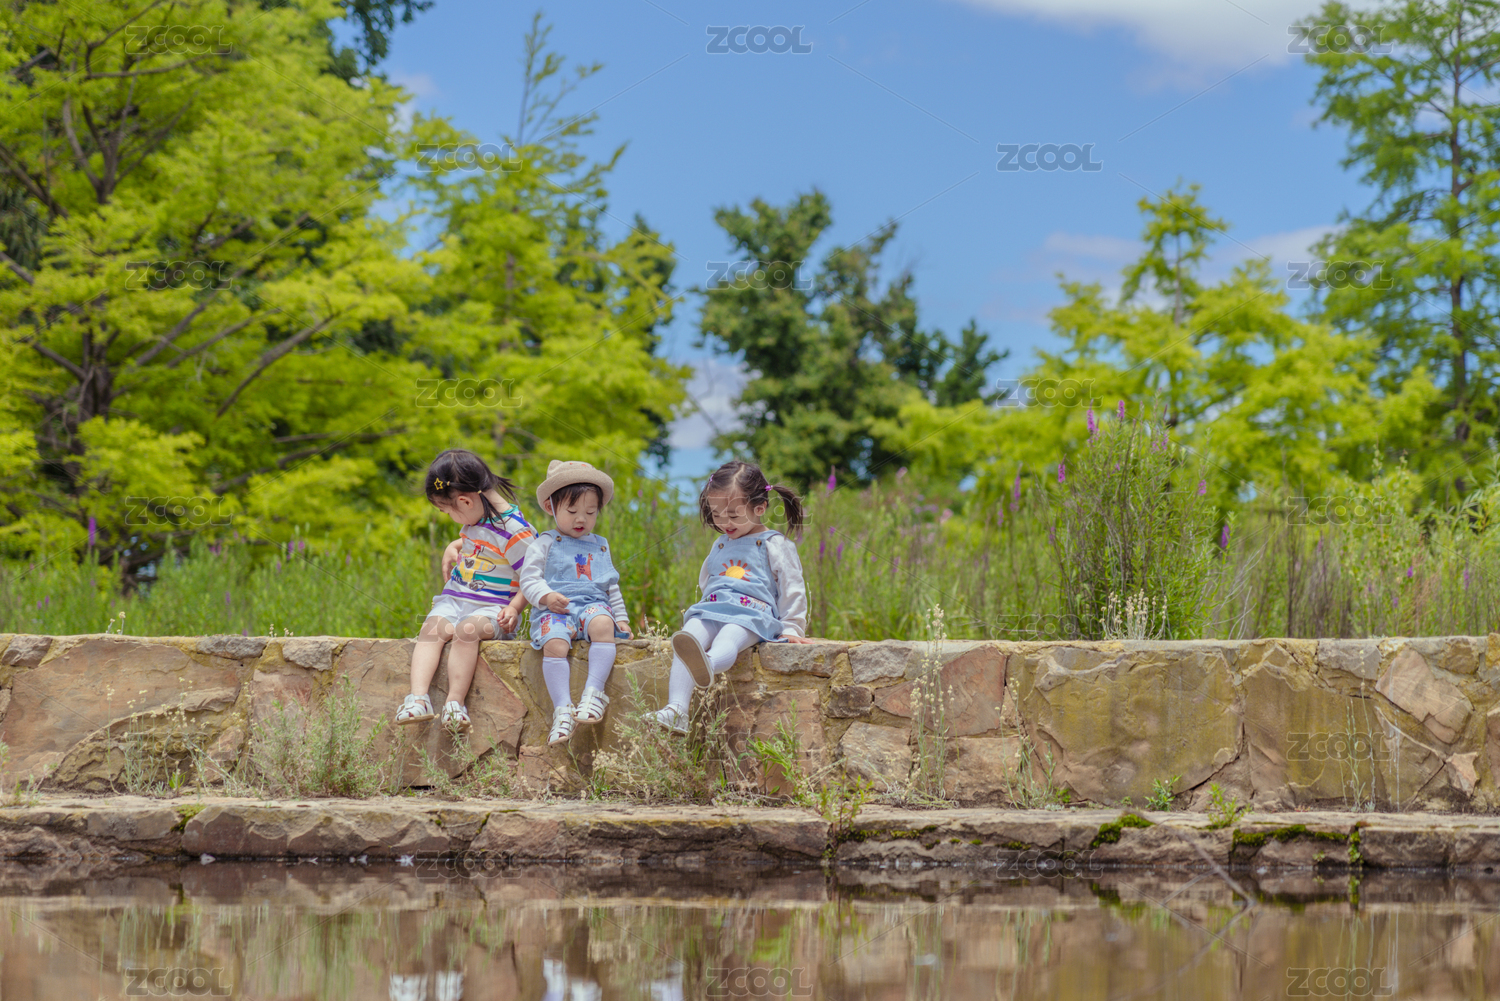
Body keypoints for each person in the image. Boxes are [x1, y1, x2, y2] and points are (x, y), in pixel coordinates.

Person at [651, 460, 812, 733]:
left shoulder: (774, 544)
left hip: (751, 614)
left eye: (734, 515)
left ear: (759, 508)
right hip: (714, 607)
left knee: (727, 638)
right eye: (716, 514)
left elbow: (792, 587)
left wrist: (791, 627)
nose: (724, 523)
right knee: (687, 639)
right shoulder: (721, 543)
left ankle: (708, 663)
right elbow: (709, 579)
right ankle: (676, 709)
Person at [395, 448, 534, 731]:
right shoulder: (478, 517)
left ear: (464, 501)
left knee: (466, 631)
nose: (449, 517)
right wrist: (454, 545)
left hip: (492, 608)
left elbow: (533, 576)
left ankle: (454, 704)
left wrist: (515, 607)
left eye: (447, 511)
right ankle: (418, 698)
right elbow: (481, 541)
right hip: (455, 600)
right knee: (431, 629)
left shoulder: (516, 531)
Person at [519, 460, 633, 745]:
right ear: (550, 508)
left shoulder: (600, 545)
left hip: (593, 605)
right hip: (556, 610)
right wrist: (546, 596)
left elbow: (611, 585)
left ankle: (594, 693)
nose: (581, 518)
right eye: (572, 511)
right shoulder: (544, 543)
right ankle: (563, 709)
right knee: (555, 644)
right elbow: (529, 580)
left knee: (603, 625)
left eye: (590, 512)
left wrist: (621, 618)